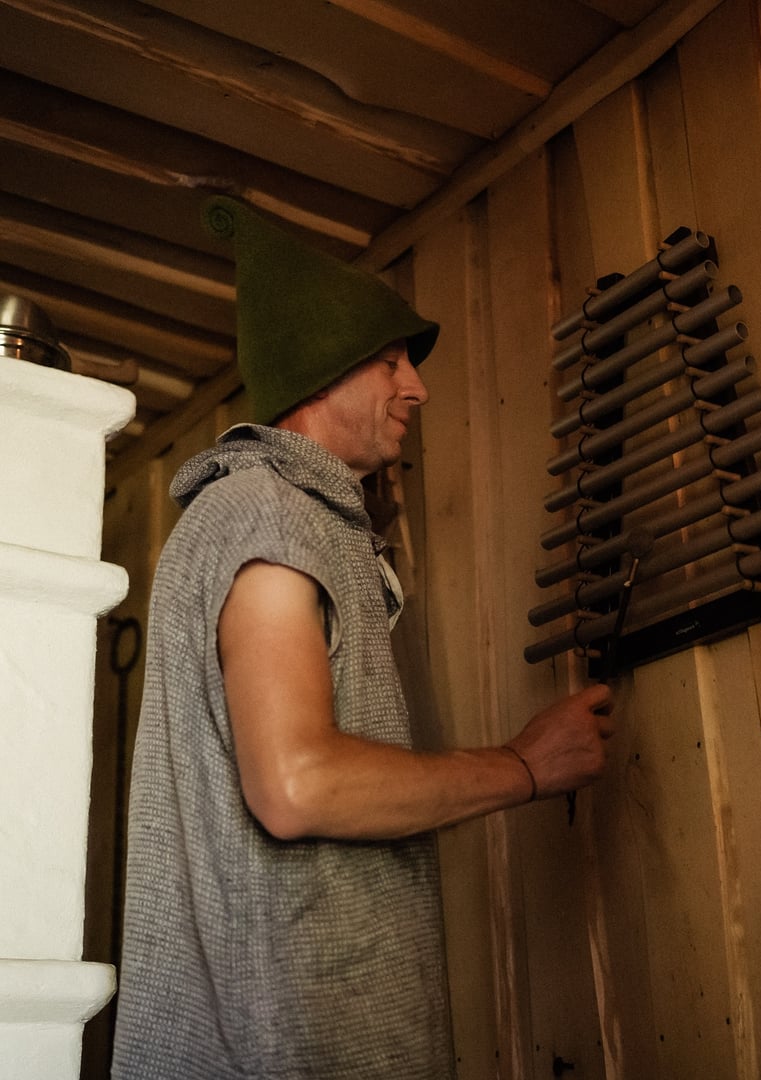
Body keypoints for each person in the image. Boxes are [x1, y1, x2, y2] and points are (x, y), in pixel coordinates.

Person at [111, 196, 614, 1080]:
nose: (415, 385)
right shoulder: (268, 505)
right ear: (320, 372)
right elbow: (299, 785)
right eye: (388, 362)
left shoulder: (275, 515)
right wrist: (528, 765)